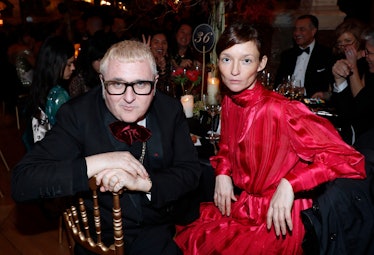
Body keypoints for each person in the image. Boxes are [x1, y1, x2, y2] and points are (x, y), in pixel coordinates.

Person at [174, 21, 366, 255]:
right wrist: (223, 171)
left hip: (280, 217)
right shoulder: (229, 100)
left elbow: (347, 157)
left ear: (261, 63)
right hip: (246, 205)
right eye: (227, 59)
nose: (234, 71)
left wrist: (291, 183)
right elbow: (226, 146)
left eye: (246, 60)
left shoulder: (282, 110)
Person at [12, 40, 201, 255]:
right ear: (102, 82)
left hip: (155, 227)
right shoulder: (78, 115)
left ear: (155, 82)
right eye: (117, 84)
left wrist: (146, 184)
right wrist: (100, 162)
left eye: (141, 84)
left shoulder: (170, 110)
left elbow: (191, 171)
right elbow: (22, 182)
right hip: (101, 237)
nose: (129, 98)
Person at [274, 14, 333, 99]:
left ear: (313, 31)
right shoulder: (287, 55)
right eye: (295, 29)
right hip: (286, 100)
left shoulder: (326, 54)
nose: (297, 33)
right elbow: (278, 83)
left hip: (312, 102)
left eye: (302, 29)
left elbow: (326, 86)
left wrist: (304, 91)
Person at [329, 19, 368, 144]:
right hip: (342, 118)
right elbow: (337, 98)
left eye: (347, 41)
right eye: (340, 43)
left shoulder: (368, 64)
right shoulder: (339, 61)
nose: (343, 47)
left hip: (362, 125)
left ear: (359, 41)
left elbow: (360, 101)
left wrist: (353, 65)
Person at [69, 31, 114, 98]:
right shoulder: (79, 80)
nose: (102, 63)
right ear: (90, 60)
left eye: (104, 58)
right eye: (98, 60)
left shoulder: (110, 75)